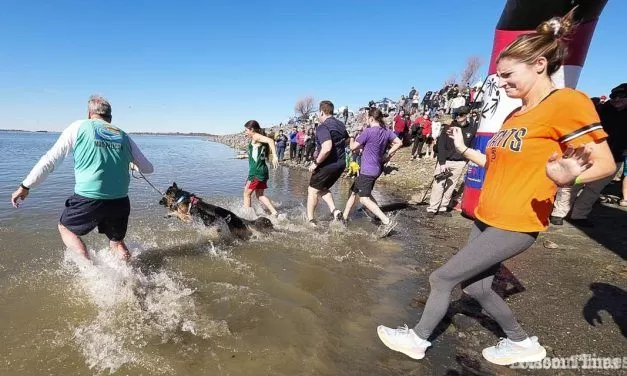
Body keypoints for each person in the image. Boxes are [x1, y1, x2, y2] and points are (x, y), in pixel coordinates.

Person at [376, 10, 616, 365]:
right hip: (486, 215)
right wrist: (462, 151)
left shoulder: (567, 103)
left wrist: (568, 177)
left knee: (441, 278)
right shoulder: (515, 115)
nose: (501, 83)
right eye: (499, 77)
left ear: (539, 64)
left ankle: (417, 339)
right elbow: (497, 162)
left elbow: (606, 163)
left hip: (517, 220)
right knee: (477, 287)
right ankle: (521, 343)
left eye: (507, 76)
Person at [10, 95, 153, 260]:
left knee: (65, 228)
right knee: (117, 243)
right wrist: (131, 163)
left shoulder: (78, 126)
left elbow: (50, 161)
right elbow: (148, 168)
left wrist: (25, 186)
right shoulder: (123, 135)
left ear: (89, 114)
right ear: (110, 118)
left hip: (89, 198)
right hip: (120, 201)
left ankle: (89, 270)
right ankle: (131, 277)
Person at [550, 82, 627, 226]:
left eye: (622, 96)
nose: (617, 99)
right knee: (572, 184)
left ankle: (579, 215)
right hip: (588, 155)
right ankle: (558, 213)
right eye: (614, 96)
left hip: (614, 158)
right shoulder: (601, 109)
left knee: (594, 189)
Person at [342, 108, 402, 237]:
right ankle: (345, 217)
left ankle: (386, 221)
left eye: (366, 118)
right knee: (353, 191)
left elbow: (353, 147)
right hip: (376, 169)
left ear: (371, 118)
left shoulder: (368, 132)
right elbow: (399, 142)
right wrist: (387, 155)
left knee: (364, 199)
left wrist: (352, 137)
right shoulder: (386, 131)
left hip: (367, 171)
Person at [427, 106, 477, 217]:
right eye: (457, 114)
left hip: (460, 162)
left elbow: (471, 146)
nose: (458, 116)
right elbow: (440, 145)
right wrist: (442, 162)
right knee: (439, 185)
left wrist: (466, 160)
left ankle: (443, 207)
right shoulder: (448, 127)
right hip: (446, 160)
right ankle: (432, 208)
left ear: (468, 115)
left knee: (451, 185)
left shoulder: (472, 130)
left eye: (462, 114)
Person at [306, 100, 349, 226]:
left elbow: (327, 147)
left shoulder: (322, 127)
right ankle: (335, 211)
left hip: (328, 164)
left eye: (317, 114)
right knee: (323, 188)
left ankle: (311, 221)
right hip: (341, 164)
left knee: (312, 190)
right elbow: (347, 140)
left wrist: (315, 162)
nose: (317, 116)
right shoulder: (341, 124)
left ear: (321, 112)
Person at [243, 120, 279, 216]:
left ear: (252, 130)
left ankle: (248, 215)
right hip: (262, 170)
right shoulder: (258, 138)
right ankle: (274, 212)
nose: (245, 133)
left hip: (256, 171)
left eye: (246, 130)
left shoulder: (256, 136)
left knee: (247, 194)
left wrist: (275, 155)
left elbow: (271, 140)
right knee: (259, 195)